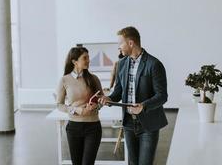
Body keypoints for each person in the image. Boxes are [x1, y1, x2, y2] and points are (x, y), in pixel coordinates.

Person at [99, 26, 168, 165]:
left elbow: (162, 96)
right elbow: (118, 91)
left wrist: (143, 106)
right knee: (132, 163)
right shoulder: (122, 64)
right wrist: (109, 99)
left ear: (131, 43)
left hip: (148, 124)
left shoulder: (154, 64)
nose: (119, 48)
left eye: (120, 44)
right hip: (129, 123)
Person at [56, 46, 103, 165]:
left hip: (93, 127)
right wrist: (76, 110)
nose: (88, 60)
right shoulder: (64, 80)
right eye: (85, 58)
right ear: (74, 61)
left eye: (88, 57)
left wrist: (96, 106)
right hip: (74, 128)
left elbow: (102, 100)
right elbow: (59, 105)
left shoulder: (94, 79)